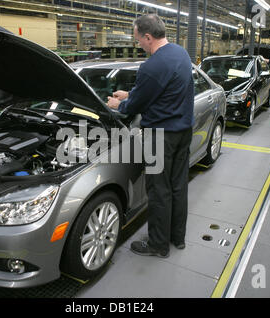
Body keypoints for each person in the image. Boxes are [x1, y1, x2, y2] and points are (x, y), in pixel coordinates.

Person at [107, 14, 194, 258]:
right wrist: (131, 94)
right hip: (183, 132)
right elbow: (160, 89)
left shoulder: (151, 66)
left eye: (139, 41)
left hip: (159, 137)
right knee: (178, 187)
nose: (139, 45)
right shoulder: (181, 53)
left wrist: (118, 104)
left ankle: (157, 244)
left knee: (158, 191)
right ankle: (178, 238)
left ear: (148, 36)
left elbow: (135, 106)